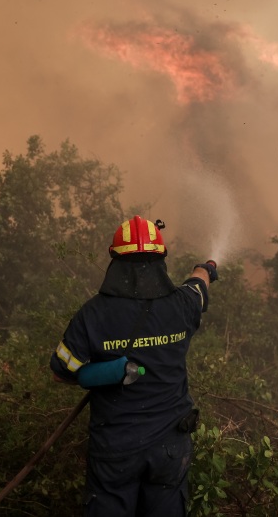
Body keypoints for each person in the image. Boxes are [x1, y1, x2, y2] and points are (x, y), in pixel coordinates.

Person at [50, 215, 218, 516]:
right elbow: (198, 286)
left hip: (116, 449)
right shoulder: (182, 305)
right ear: (160, 259)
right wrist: (205, 269)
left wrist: (97, 374)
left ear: (115, 261)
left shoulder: (93, 314)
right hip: (171, 448)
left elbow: (60, 372)